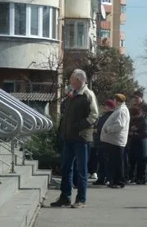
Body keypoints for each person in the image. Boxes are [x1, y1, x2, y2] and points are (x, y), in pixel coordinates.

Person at [50, 69, 99, 209]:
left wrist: (80, 126)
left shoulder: (88, 94)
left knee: (81, 169)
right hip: (69, 137)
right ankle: (65, 197)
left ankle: (81, 199)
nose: (70, 81)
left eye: (72, 79)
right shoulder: (72, 95)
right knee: (66, 167)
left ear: (79, 80)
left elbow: (94, 115)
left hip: (81, 138)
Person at [100, 94, 130, 188]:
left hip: (116, 141)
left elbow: (119, 125)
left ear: (117, 101)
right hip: (114, 140)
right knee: (114, 161)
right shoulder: (119, 110)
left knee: (117, 162)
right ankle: (115, 180)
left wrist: (108, 129)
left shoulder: (121, 111)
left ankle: (119, 181)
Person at [132, 91, 147, 180]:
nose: (135, 99)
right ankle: (135, 175)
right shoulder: (134, 107)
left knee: (145, 156)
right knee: (136, 156)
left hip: (145, 134)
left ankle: (145, 175)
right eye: (134, 98)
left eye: (137, 98)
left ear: (141, 98)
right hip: (136, 134)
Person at [92, 99, 116, 185]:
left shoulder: (111, 116)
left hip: (106, 141)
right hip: (100, 141)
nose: (104, 107)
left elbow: (104, 127)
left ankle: (108, 178)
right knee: (101, 161)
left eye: (106, 106)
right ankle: (101, 178)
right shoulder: (104, 116)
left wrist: (97, 130)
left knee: (106, 161)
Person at [128, 106, 147, 184]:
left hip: (142, 143)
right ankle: (132, 177)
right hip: (133, 142)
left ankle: (141, 178)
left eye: (135, 115)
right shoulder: (133, 120)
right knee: (132, 161)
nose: (134, 117)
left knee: (141, 161)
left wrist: (135, 132)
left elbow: (145, 133)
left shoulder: (145, 120)